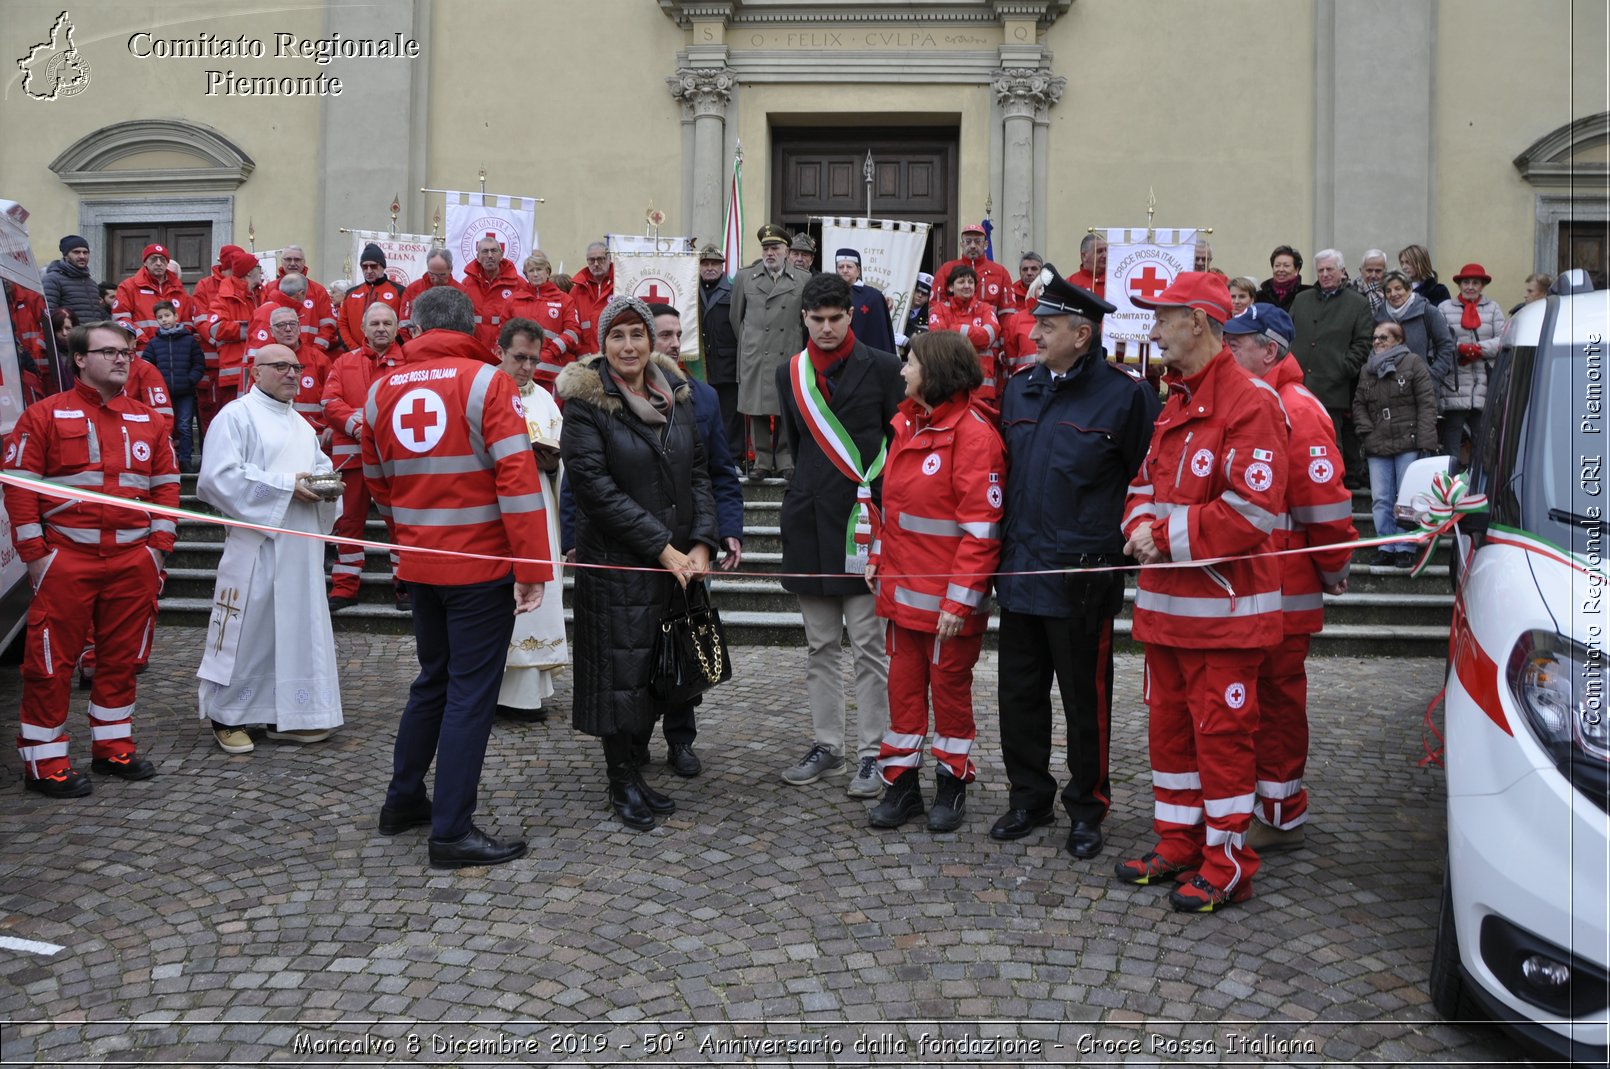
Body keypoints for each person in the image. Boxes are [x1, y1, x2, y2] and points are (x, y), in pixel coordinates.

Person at [1117, 271, 1287, 913]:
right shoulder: (1176, 400)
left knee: (1221, 740)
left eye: (1161, 317)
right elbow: (1142, 485)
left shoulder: (1250, 402)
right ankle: (1179, 842)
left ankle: (1228, 859)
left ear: (1196, 319)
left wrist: (1161, 536)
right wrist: (1139, 526)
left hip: (1225, 618)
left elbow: (1254, 511)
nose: (1152, 330)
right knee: (1171, 737)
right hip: (1166, 615)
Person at [366, 285, 552, 869]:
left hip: (421, 562)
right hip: (479, 565)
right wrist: (531, 567)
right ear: (470, 324)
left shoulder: (378, 391)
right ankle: (451, 831)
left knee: (434, 680)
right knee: (471, 695)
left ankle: (403, 801)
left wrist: (409, 539)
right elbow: (517, 479)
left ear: (414, 326)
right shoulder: (485, 382)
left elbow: (379, 484)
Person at [993, 267, 1159, 854]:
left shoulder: (1127, 395)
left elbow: (1147, 480)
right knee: (1017, 694)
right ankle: (1028, 797)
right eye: (1036, 322)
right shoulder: (1020, 386)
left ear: (1082, 334)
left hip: (1081, 577)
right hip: (1019, 570)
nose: (1033, 333)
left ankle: (1088, 807)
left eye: (1047, 325)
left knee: (1084, 701)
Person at [556, 296, 717, 830]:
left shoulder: (676, 393)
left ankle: (638, 771)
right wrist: (661, 546)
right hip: (620, 563)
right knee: (618, 676)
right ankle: (621, 779)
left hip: (675, 563)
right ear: (602, 344)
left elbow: (698, 472)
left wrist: (700, 543)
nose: (629, 346)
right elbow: (595, 490)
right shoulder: (585, 404)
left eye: (637, 335)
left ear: (652, 341)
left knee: (654, 674)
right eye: (617, 336)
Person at [3, 320, 178, 797]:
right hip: (68, 558)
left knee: (121, 659)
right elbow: (18, 489)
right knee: (49, 663)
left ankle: (113, 747)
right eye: (110, 352)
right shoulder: (42, 416)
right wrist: (36, 556)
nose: (123, 359)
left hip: (132, 560)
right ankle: (43, 761)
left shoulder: (148, 418)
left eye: (127, 351)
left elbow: (166, 486)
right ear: (80, 359)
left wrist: (158, 549)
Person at [1220, 303, 1357, 853]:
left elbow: (1324, 506)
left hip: (1283, 591)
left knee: (1276, 705)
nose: (1227, 351)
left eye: (1237, 343)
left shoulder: (1297, 408)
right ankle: (1256, 802)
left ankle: (1279, 815)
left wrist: (1333, 569)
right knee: (1253, 702)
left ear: (1269, 349)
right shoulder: (1257, 400)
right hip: (1258, 587)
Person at [864, 330, 1004, 831]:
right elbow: (896, 510)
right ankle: (901, 788)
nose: (902, 370)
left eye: (911, 363)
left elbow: (981, 534)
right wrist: (878, 554)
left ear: (937, 372)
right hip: (902, 599)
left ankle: (951, 786)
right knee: (902, 696)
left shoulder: (973, 436)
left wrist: (959, 602)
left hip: (946, 608)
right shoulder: (907, 424)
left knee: (949, 698)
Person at [773, 273, 902, 797]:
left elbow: (899, 442)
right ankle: (828, 743)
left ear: (851, 315)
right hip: (808, 521)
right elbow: (798, 443)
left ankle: (874, 751)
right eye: (817, 319)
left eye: (835, 318)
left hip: (863, 522)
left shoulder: (887, 368)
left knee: (869, 645)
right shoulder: (791, 374)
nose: (826, 328)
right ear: (804, 318)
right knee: (820, 644)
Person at [195, 342, 344, 753]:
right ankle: (228, 715)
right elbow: (216, 478)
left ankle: (289, 714)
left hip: (299, 546)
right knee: (250, 629)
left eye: (295, 366)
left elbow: (317, 467)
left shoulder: (301, 424)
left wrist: (326, 485)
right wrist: (284, 487)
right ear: (255, 372)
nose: (291, 373)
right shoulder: (235, 417)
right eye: (280, 366)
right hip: (256, 545)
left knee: (297, 630)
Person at [635, 302, 745, 774]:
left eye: (678, 334)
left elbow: (720, 471)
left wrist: (728, 531)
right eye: (664, 335)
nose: (674, 343)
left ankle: (681, 739)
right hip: (635, 543)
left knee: (686, 638)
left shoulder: (701, 397)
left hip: (689, 540)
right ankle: (634, 739)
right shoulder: (616, 394)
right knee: (637, 647)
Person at [491, 319, 570, 724]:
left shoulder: (544, 399)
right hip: (495, 512)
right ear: (498, 351)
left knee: (538, 602)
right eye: (519, 357)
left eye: (533, 360)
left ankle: (525, 695)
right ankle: (489, 691)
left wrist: (553, 461)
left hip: (540, 505)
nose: (526, 367)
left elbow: (563, 454)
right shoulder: (484, 393)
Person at [322, 300, 406, 611]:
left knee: (401, 522)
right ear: (363, 329)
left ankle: (405, 583)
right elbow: (330, 402)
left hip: (394, 460)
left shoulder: (410, 363)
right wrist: (358, 426)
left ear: (397, 328)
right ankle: (345, 586)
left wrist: (371, 427)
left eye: (387, 323)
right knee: (349, 523)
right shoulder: (343, 363)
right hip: (352, 460)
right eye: (375, 323)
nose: (381, 328)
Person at [1353, 319, 1437, 569]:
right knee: (1380, 498)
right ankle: (1385, 546)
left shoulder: (1413, 363)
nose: (1377, 342)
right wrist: (1366, 430)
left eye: (1384, 337)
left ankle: (1405, 547)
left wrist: (1426, 440)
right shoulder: (1367, 369)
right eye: (1375, 337)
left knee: (1407, 497)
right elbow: (1358, 403)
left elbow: (1426, 403)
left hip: (1407, 440)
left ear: (1398, 341)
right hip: (1377, 441)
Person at [1289, 249, 1374, 489]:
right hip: (1297, 387)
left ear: (1342, 271)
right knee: (1296, 443)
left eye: (1330, 269)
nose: (1325, 274)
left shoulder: (1357, 303)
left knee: (1329, 445)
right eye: (1321, 270)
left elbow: (1363, 343)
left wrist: (1343, 368)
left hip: (1333, 387)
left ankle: (1330, 491)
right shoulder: (1302, 299)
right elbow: (1286, 334)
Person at [730, 223, 807, 479]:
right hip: (756, 354)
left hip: (789, 351)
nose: (769, 253)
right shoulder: (745, 277)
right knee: (757, 408)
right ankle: (761, 461)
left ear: (787, 251)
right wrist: (750, 343)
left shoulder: (803, 279)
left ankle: (786, 460)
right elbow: (735, 317)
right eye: (766, 248)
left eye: (775, 248)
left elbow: (805, 319)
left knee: (787, 407)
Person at [1436, 262, 1506, 472]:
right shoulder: (1444, 308)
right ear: (1460, 285)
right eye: (1466, 282)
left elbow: (1502, 340)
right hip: (1455, 383)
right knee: (1453, 434)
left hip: (1483, 382)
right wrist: (1460, 349)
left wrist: (1476, 349)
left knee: (1482, 435)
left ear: (1482, 285)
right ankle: (1451, 480)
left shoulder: (1493, 308)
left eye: (1475, 283)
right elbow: (1440, 341)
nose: (1470, 287)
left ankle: (1481, 480)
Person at [925, 263, 1001, 409]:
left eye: (971, 282)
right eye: (961, 282)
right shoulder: (939, 309)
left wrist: (953, 329)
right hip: (948, 388)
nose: (967, 286)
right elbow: (938, 339)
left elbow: (989, 336)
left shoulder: (986, 309)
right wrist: (973, 334)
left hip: (981, 392)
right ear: (950, 287)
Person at [142, 300, 205, 470]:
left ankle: (185, 460)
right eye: (160, 317)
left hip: (185, 392)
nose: (164, 320)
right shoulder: (154, 343)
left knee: (184, 425)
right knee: (164, 427)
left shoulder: (189, 341)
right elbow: (146, 365)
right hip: (163, 394)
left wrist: (190, 380)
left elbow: (199, 363)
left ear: (176, 316)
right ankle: (167, 460)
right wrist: (157, 384)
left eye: (167, 315)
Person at [696, 244, 744, 462]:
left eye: (714, 263)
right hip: (699, 364)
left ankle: (732, 458)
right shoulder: (690, 291)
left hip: (728, 362)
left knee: (729, 416)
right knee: (701, 413)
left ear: (722, 267)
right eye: (705, 263)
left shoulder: (734, 291)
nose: (709, 268)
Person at [206, 249, 264, 414]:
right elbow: (215, 329)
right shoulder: (224, 298)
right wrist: (251, 328)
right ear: (249, 273)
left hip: (260, 371)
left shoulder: (262, 294)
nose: (261, 271)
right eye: (258, 267)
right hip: (234, 373)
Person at [513, 251, 582, 387]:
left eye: (539, 269)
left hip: (551, 373)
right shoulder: (513, 300)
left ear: (548, 272)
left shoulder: (564, 300)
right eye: (531, 270)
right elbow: (504, 331)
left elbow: (573, 332)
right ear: (526, 275)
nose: (535, 274)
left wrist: (551, 351)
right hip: (519, 372)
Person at [1376, 270, 1455, 390]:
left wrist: (1433, 376)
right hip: (1388, 388)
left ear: (1409, 289)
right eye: (1388, 291)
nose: (1393, 294)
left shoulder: (1428, 312)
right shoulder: (1379, 316)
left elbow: (1446, 345)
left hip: (1423, 387)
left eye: (1398, 288)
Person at [933, 222, 1017, 325]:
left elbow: (1007, 313)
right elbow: (935, 309)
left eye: (977, 241)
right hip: (953, 337)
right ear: (961, 244)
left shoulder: (1000, 272)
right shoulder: (946, 270)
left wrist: (1004, 340)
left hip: (989, 336)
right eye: (968, 241)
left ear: (986, 244)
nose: (973, 246)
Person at [114, 243, 191, 353]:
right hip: (142, 350)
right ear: (145, 262)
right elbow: (120, 319)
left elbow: (187, 323)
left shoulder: (179, 288)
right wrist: (143, 340)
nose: (158, 263)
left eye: (162, 259)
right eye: (153, 259)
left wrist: (178, 342)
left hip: (174, 352)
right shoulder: (128, 286)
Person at [263, 245, 338, 354]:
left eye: (297, 259)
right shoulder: (269, 289)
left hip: (310, 355)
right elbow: (264, 325)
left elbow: (328, 326)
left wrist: (315, 352)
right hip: (277, 356)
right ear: (282, 262)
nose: (293, 263)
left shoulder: (318, 291)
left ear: (304, 262)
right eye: (288, 259)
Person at [461, 235, 525, 358]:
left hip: (505, 352)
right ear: (478, 257)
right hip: (475, 350)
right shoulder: (467, 283)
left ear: (501, 255)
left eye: (494, 251)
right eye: (485, 251)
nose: (490, 255)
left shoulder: (518, 284)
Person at [337, 243, 406, 352]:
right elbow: (342, 324)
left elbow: (403, 326)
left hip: (389, 354)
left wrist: (389, 350)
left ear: (382, 266)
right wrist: (354, 349)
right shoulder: (351, 293)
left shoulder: (399, 291)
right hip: (356, 353)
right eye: (364, 266)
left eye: (373, 266)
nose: (368, 271)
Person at [833, 248, 898, 353]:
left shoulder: (874, 297)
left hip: (867, 357)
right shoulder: (830, 294)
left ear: (858, 270)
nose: (844, 270)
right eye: (840, 267)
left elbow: (881, 336)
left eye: (849, 266)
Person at [399, 248, 461, 336]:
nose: (436, 279)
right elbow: (404, 324)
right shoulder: (412, 289)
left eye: (441, 275)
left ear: (450, 269)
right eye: (432, 274)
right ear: (427, 268)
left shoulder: (461, 292)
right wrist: (412, 346)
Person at [43, 234, 103, 325]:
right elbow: (48, 314)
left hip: (91, 337)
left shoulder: (92, 283)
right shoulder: (52, 279)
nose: (82, 256)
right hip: (69, 337)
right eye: (76, 252)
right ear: (66, 255)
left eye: (85, 252)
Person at [570, 241, 615, 353]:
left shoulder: (621, 285)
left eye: (600, 259)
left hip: (614, 354)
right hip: (586, 358)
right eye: (591, 260)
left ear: (609, 259)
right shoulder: (576, 291)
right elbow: (571, 326)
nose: (596, 264)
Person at [1255, 245, 1310, 311]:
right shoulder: (1259, 296)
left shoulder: (1307, 295)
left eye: (1286, 266)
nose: (1281, 269)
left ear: (1297, 270)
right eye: (1277, 266)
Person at [895, 272, 932, 357]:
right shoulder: (899, 309)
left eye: (924, 294)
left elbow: (926, 348)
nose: (919, 295)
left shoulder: (929, 317)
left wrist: (907, 342)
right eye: (917, 291)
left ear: (928, 297)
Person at [1068, 233, 1107, 297]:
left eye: (1106, 250)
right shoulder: (1070, 284)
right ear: (1084, 256)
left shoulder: (1115, 280)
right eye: (1099, 251)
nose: (1105, 255)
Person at [1351, 249, 1389, 313]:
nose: (1373, 275)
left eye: (1378, 271)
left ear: (1385, 272)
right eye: (1369, 270)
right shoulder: (1352, 292)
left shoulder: (1392, 291)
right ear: (1361, 271)